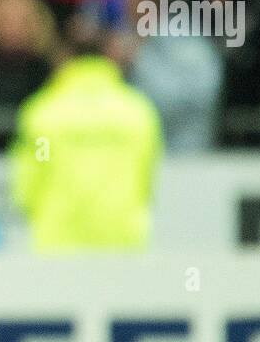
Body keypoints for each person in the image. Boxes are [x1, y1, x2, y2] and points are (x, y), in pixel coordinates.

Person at [11, 19, 163, 251]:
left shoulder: (43, 113)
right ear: (110, 55)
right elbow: (147, 182)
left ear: (63, 56)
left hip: (57, 245)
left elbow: (26, 187)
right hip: (123, 244)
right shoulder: (137, 112)